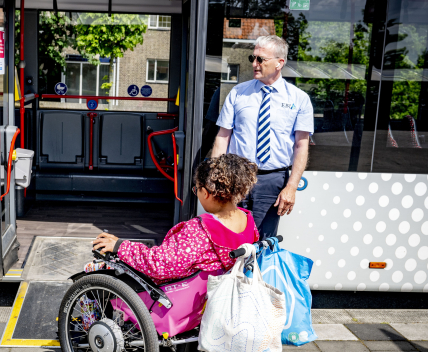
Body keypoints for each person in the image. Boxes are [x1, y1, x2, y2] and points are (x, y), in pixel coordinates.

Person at [92, 154, 259, 284]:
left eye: (197, 189)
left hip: (174, 302)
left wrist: (120, 246)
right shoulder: (248, 222)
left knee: (95, 270)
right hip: (212, 296)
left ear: (206, 193)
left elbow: (160, 265)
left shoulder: (199, 231)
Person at [211, 35, 313, 239]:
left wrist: (291, 187)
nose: (254, 64)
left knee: (263, 240)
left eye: (260, 59)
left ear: (279, 63)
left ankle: (257, 272)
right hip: (235, 177)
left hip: (272, 180)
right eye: (253, 57)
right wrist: (215, 177)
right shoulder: (238, 93)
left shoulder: (299, 99)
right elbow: (223, 137)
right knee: (229, 238)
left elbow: (301, 147)